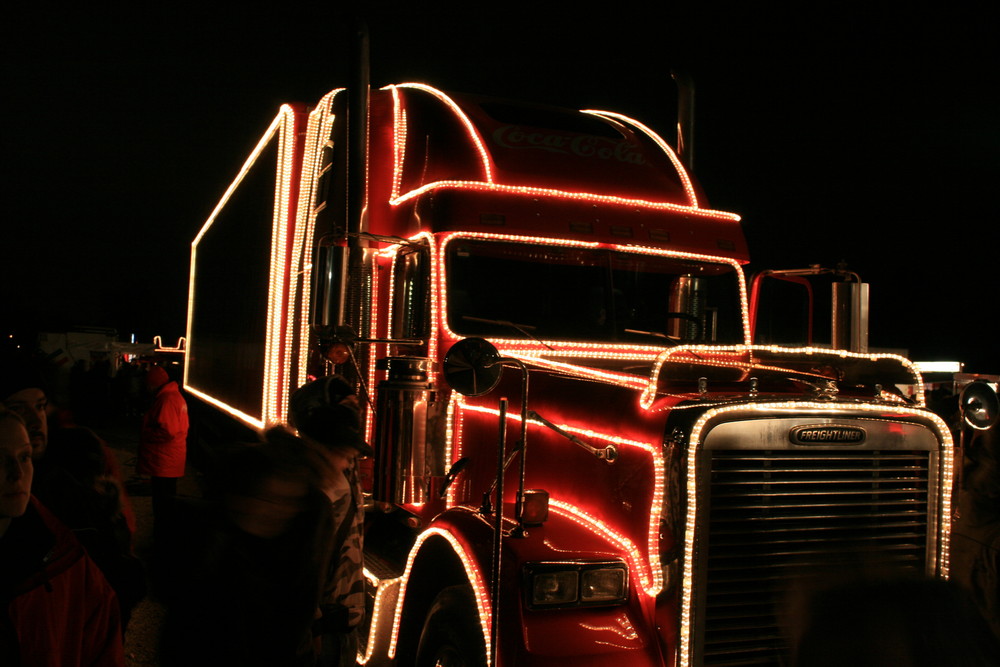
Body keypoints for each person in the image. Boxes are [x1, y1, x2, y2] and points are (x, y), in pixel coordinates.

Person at [158, 426, 336, 666]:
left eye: (288, 501)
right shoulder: (203, 538)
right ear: (241, 494)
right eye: (267, 498)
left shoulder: (307, 532)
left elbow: (300, 607)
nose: (275, 510)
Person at [0, 407, 124, 666]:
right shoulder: (63, 556)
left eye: (24, 457)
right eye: (0, 460)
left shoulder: (69, 560)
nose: (17, 474)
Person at [289, 375, 371, 667]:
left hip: (341, 622)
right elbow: (302, 564)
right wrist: (313, 627)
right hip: (325, 628)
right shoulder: (315, 486)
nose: (349, 456)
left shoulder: (343, 471)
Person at [138, 365, 188, 531]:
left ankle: (163, 539)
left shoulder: (166, 400)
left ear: (153, 384)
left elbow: (167, 432)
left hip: (163, 461)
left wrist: (146, 434)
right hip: (169, 460)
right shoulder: (173, 397)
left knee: (162, 504)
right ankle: (166, 536)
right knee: (167, 501)